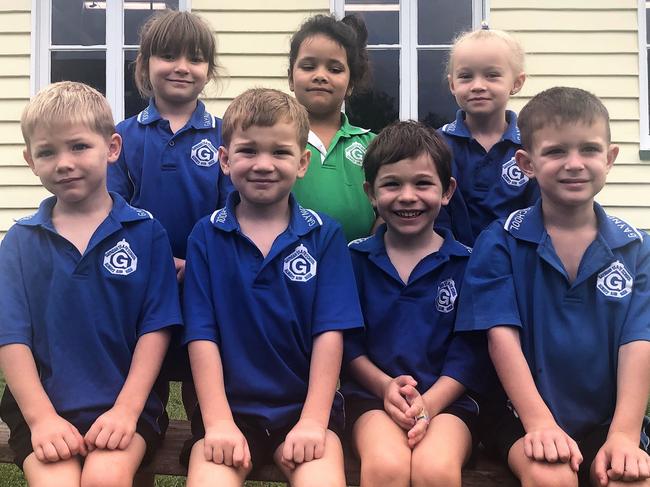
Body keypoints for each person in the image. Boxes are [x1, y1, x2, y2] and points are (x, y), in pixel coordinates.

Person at [455, 86, 650, 487]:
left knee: (629, 479)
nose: (574, 164)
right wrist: (539, 423)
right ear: (526, 163)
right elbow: (500, 337)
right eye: (556, 151)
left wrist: (625, 435)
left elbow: (638, 343)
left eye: (590, 150)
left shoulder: (636, 248)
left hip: (606, 418)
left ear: (610, 158)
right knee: (551, 478)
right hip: (518, 414)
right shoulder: (500, 241)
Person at [0, 81, 182, 487]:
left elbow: (156, 329)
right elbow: (11, 338)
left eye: (79, 146)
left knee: (106, 477)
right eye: (47, 152)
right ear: (30, 160)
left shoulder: (146, 234)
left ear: (112, 148)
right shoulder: (19, 242)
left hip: (128, 407)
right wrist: (42, 419)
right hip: (42, 410)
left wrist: (126, 411)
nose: (64, 162)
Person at [180, 88, 363, 487]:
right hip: (228, 412)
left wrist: (314, 421)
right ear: (225, 160)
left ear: (302, 163)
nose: (263, 164)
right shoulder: (205, 236)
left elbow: (330, 334)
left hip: (305, 409)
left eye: (279, 153)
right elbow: (201, 335)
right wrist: (218, 422)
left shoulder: (324, 235)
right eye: (248, 151)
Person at [341, 121, 487, 487]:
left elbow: (469, 352)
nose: (408, 196)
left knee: (434, 469)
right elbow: (345, 343)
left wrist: (430, 404)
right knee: (386, 465)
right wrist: (384, 387)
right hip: (371, 400)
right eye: (392, 184)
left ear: (447, 190)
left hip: (449, 404)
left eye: (423, 183)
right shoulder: (352, 261)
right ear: (370, 193)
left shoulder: (468, 264)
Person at [107, 9, 231, 412]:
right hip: (139, 289)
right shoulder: (122, 137)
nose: (182, 67)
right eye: (168, 56)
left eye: (195, 58)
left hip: (208, 285)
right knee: (143, 389)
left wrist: (196, 262)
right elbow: (111, 211)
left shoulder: (225, 135)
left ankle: (206, 444)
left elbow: (235, 210)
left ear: (209, 70)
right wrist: (159, 261)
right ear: (144, 65)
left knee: (207, 384)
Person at [440, 26, 538, 245]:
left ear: (517, 83)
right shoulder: (436, 146)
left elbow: (542, 214)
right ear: (452, 84)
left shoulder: (533, 146)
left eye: (492, 75)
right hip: (450, 267)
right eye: (466, 76)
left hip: (515, 267)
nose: (478, 86)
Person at [288, 14, 376, 242]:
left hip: (358, 272)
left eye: (335, 69)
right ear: (290, 78)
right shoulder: (273, 142)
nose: (320, 76)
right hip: (286, 271)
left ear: (351, 84)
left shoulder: (374, 146)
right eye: (308, 66)